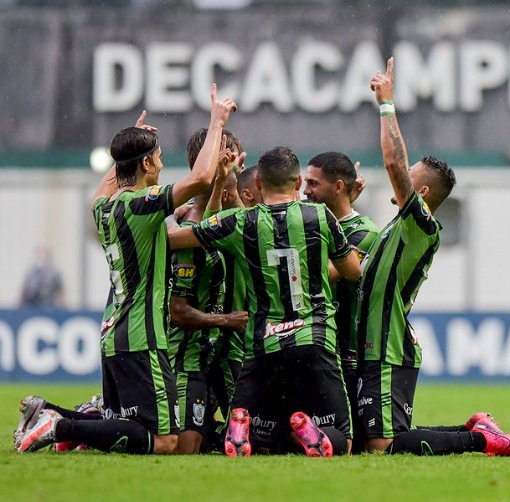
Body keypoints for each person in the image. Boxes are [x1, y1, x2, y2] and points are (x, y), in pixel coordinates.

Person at [15, 84, 238, 455]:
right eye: (159, 158)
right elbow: (199, 180)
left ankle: (50, 414)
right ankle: (59, 425)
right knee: (165, 441)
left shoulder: (103, 207)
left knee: (123, 425)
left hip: (112, 334)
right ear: (148, 164)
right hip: (142, 336)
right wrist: (216, 123)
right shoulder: (141, 205)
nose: (163, 164)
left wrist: (128, 147)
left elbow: (105, 189)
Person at [356, 58, 510, 457]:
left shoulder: (421, 226)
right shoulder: (397, 227)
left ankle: (480, 440)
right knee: (376, 440)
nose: (401, 178)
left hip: (387, 347)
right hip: (372, 346)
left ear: (425, 194)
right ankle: (477, 429)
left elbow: (393, 162)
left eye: (411, 178)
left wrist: (386, 106)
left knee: (383, 445)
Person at [168, 146, 361, 457]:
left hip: (263, 345)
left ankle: (241, 426)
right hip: (314, 338)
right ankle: (307, 429)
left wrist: (173, 217)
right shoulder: (320, 216)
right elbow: (353, 271)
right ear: (298, 183)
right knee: (343, 440)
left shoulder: (239, 221)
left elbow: (175, 239)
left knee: (263, 440)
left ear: (257, 184)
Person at [168, 127, 248, 454]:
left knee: (223, 437)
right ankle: (80, 421)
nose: (238, 165)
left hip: (220, 347)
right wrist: (226, 320)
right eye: (230, 158)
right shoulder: (180, 223)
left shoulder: (210, 215)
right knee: (181, 445)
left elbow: (217, 224)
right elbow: (177, 309)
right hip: (195, 348)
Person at [302, 151, 379, 445]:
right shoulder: (312, 220)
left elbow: (330, 273)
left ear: (337, 187)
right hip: (309, 343)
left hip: (343, 352)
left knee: (358, 443)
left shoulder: (364, 232)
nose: (305, 191)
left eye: (312, 183)